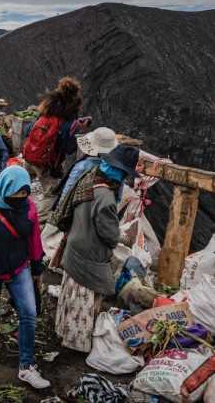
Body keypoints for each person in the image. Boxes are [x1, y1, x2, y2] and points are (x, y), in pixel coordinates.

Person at [0, 166, 50, 388]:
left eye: (24, 194)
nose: (20, 199)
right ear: (5, 189)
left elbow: (34, 239)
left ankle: (26, 367)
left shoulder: (28, 207)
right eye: (16, 195)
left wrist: (36, 269)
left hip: (19, 268)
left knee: (29, 314)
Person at [54, 145, 140, 353]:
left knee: (71, 295)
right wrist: (123, 236)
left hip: (75, 244)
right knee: (84, 300)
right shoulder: (106, 197)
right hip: (89, 253)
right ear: (120, 172)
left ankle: (63, 333)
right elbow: (109, 234)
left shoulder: (88, 181)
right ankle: (78, 345)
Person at [22, 76, 87, 222]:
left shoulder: (45, 111)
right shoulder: (70, 123)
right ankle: (38, 222)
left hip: (29, 156)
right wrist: (79, 130)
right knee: (51, 193)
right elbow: (70, 149)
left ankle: (9, 208)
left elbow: (28, 130)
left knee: (20, 182)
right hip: (46, 164)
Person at [55, 127, 119, 206]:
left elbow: (69, 187)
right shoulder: (112, 167)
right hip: (105, 205)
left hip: (82, 205)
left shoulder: (82, 166)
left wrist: (60, 206)